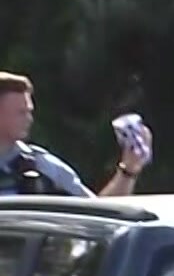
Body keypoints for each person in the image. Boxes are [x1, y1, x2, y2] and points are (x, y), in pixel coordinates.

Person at [0, 72, 148, 197]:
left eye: (29, 112)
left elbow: (97, 215)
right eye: (20, 113)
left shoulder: (41, 166)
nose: (29, 119)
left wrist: (128, 170)